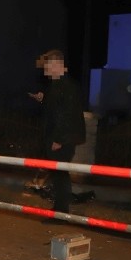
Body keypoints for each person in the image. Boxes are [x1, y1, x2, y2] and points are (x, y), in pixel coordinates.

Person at [29, 49, 86, 220]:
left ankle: (61, 212)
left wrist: (59, 139)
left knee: (60, 175)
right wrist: (43, 100)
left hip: (61, 140)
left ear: (56, 65)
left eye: (47, 65)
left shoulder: (65, 86)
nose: (44, 69)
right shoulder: (58, 86)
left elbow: (66, 115)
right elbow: (56, 110)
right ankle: (59, 208)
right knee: (58, 175)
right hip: (58, 138)